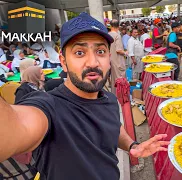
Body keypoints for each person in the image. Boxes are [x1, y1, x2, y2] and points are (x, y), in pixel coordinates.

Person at [0, 12, 169, 180]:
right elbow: (13, 129)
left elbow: (113, 128)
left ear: (109, 58)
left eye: (100, 51)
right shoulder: (49, 107)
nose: (93, 62)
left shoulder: (109, 99)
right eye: (80, 53)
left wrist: (132, 145)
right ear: (64, 62)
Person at [109, 19, 127, 93]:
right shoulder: (117, 35)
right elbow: (118, 50)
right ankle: (121, 96)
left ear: (110, 26)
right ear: (118, 27)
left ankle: (115, 95)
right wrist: (125, 52)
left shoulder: (108, 34)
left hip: (111, 61)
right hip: (118, 61)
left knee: (114, 80)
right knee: (120, 80)